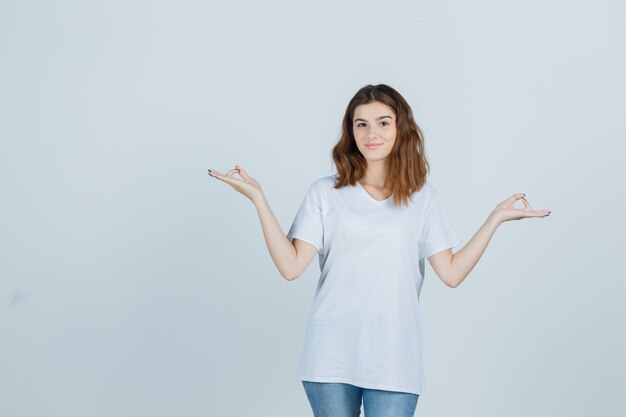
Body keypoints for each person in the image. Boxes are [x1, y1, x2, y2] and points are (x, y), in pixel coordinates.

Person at [207, 84, 551, 417]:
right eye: (362, 124)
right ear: (351, 132)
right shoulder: (325, 193)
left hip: (394, 357)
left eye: (383, 122)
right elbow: (291, 266)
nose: (372, 133)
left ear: (401, 128)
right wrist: (258, 199)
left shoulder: (423, 198)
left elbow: (452, 273)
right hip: (330, 356)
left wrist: (495, 219)